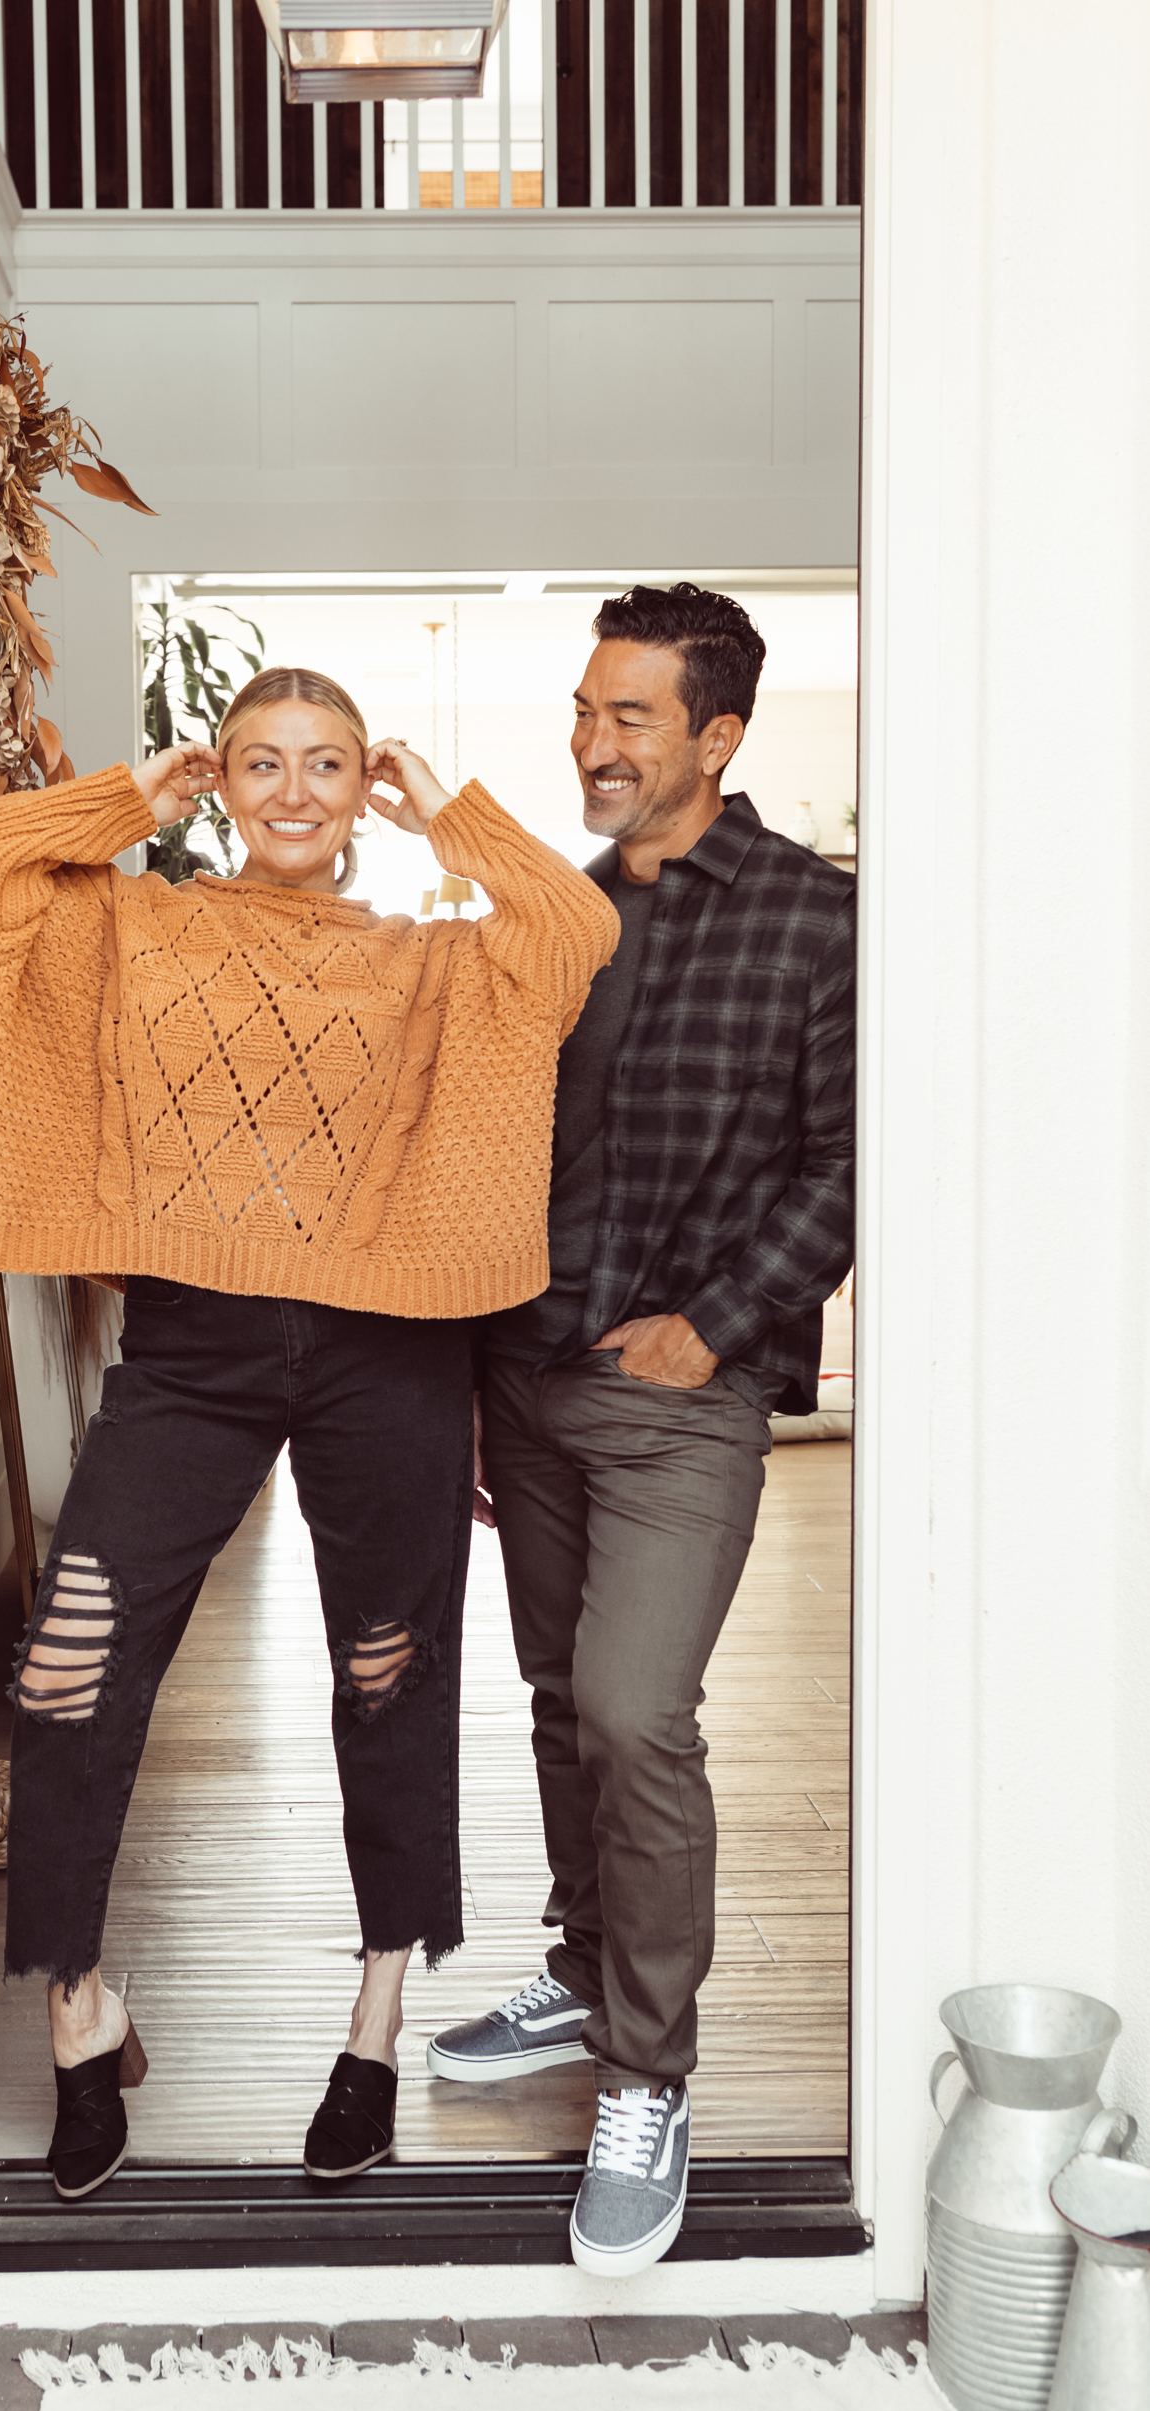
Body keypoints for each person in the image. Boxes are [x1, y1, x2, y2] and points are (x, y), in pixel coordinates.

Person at [0, 665, 618, 2200]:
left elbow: (574, 931)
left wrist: (457, 818)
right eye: (260, 762)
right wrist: (124, 801)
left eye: (330, 764)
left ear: (368, 786)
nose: (294, 791)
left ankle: (371, 2029)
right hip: (191, 1356)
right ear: (221, 779)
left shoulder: (436, 962)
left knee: (391, 1675)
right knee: (68, 1667)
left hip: (390, 1364)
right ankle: (80, 2023)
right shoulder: (133, 923)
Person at [426, 585, 856, 2277]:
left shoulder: (818, 922)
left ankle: (649, 2075)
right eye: (586, 712)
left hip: (684, 1398)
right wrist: (475, 1371)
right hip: (524, 1379)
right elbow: (496, 1153)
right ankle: (584, 1965)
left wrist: (716, 1328)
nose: (592, 745)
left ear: (718, 738)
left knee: (632, 1712)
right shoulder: (562, 916)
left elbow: (849, 1166)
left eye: (630, 719)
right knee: (553, 1704)